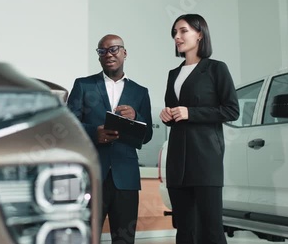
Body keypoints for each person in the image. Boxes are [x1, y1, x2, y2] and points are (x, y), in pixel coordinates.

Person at [159, 14, 239, 244]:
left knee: (211, 230)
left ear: (200, 33)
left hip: (205, 160)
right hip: (177, 161)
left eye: (183, 31)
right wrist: (167, 115)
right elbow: (174, 110)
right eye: (175, 32)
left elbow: (231, 110)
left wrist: (190, 112)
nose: (177, 36)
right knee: (184, 230)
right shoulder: (173, 74)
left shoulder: (216, 69)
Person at [67, 34, 153, 244]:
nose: (108, 54)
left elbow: (148, 134)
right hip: (92, 176)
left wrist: (136, 117)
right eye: (102, 51)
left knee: (124, 239)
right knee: (85, 237)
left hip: (126, 178)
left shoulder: (140, 92)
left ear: (125, 53)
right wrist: (92, 134)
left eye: (114, 49)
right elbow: (69, 125)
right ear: (99, 57)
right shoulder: (83, 85)